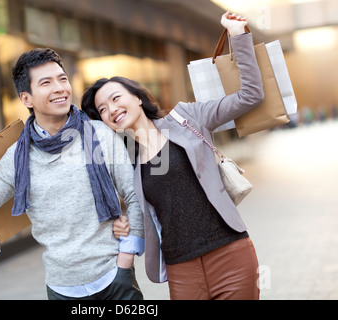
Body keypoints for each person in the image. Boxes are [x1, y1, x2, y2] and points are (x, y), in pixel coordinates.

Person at [81, 12, 264, 300]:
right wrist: (121, 223)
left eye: (115, 98)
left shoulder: (186, 118)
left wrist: (238, 35)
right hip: (181, 269)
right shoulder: (127, 160)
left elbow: (251, 95)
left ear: (137, 97)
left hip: (229, 253)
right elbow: (133, 210)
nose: (111, 109)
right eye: (102, 109)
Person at [0, 48, 145, 300]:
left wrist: (125, 261)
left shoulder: (99, 133)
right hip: (62, 288)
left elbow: (134, 195)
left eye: (62, 79)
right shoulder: (18, 156)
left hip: (115, 280)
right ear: (27, 98)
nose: (59, 88)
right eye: (46, 82)